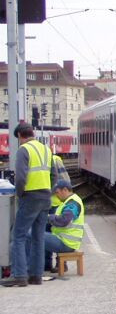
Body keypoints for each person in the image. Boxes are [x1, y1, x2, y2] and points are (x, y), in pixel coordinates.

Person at [1, 123, 56, 287]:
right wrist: (48, 191)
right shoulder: (46, 149)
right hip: (45, 197)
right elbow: (54, 175)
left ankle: (19, 275)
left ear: (20, 136)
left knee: (18, 235)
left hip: (30, 196)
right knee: (38, 238)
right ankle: (36, 276)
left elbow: (20, 178)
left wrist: (20, 194)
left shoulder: (24, 150)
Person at [44, 180, 84, 273]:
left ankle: (30, 270)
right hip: (66, 240)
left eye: (57, 192)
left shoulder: (73, 203)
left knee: (33, 235)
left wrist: (49, 217)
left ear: (65, 190)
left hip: (66, 243)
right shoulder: (68, 201)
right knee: (41, 233)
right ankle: (56, 264)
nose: (56, 195)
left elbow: (65, 220)